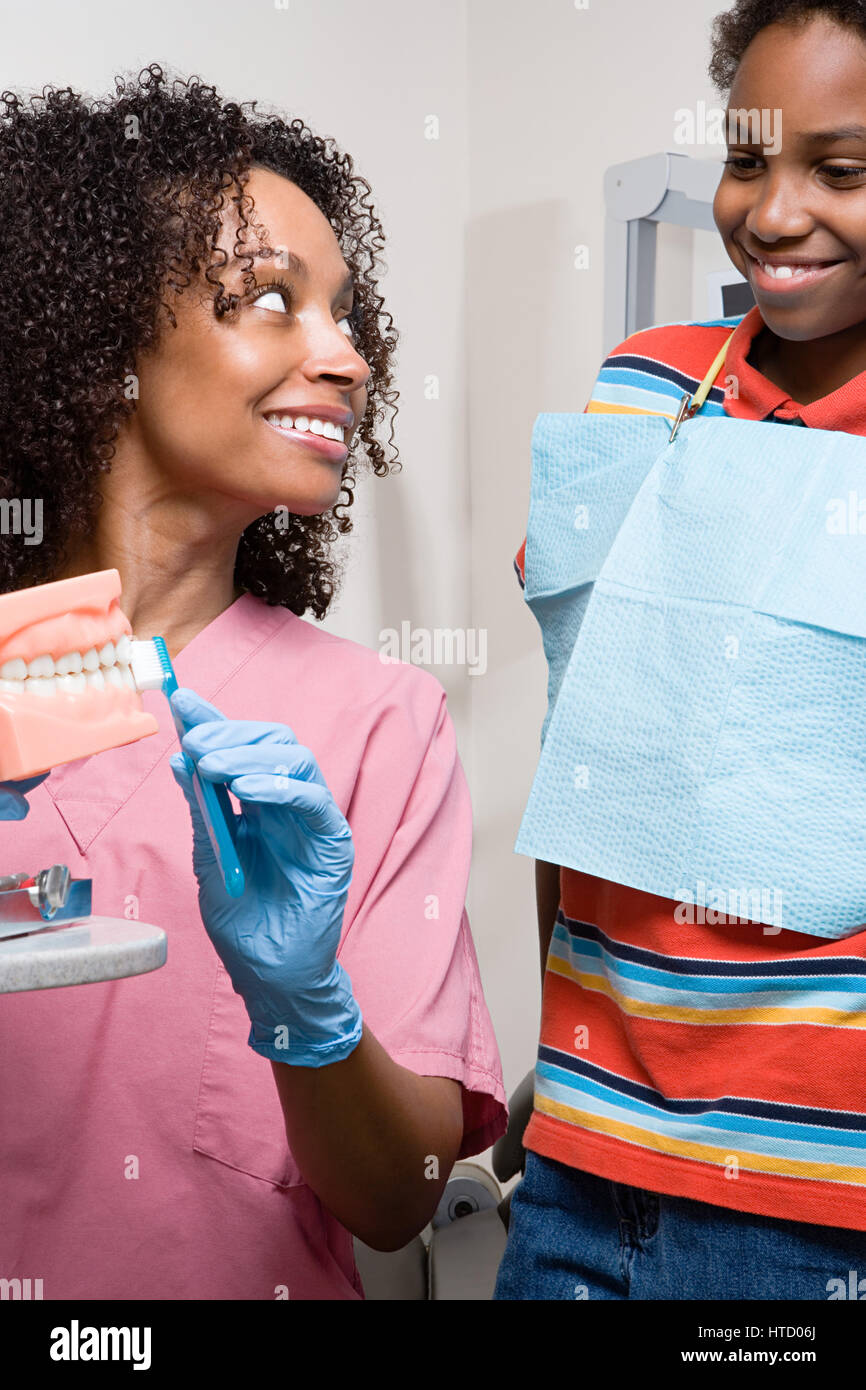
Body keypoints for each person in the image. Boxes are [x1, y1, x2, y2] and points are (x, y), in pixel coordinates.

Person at [0, 63, 507, 1301]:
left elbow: (400, 1196)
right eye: (269, 301)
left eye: (343, 312)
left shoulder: (380, 723)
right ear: (101, 326)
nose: (342, 355)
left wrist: (308, 1013)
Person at [495, 0, 866, 1300]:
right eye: (746, 157)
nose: (770, 212)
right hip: (580, 1157)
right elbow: (583, 750)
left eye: (841, 170)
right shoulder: (642, 387)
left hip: (813, 1199)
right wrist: (550, 1064)